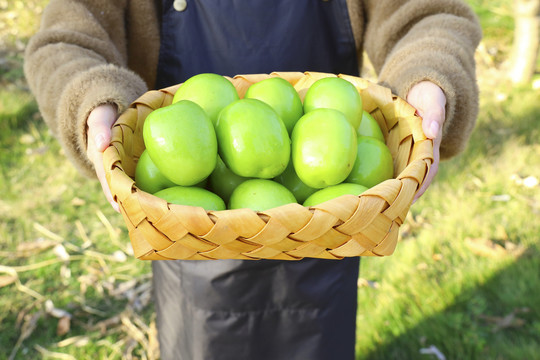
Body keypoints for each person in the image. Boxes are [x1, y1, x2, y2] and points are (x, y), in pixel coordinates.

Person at [24, 1, 482, 359]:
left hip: (329, 223)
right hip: (190, 228)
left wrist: (430, 72)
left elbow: (427, 13)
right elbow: (66, 39)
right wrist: (91, 97)